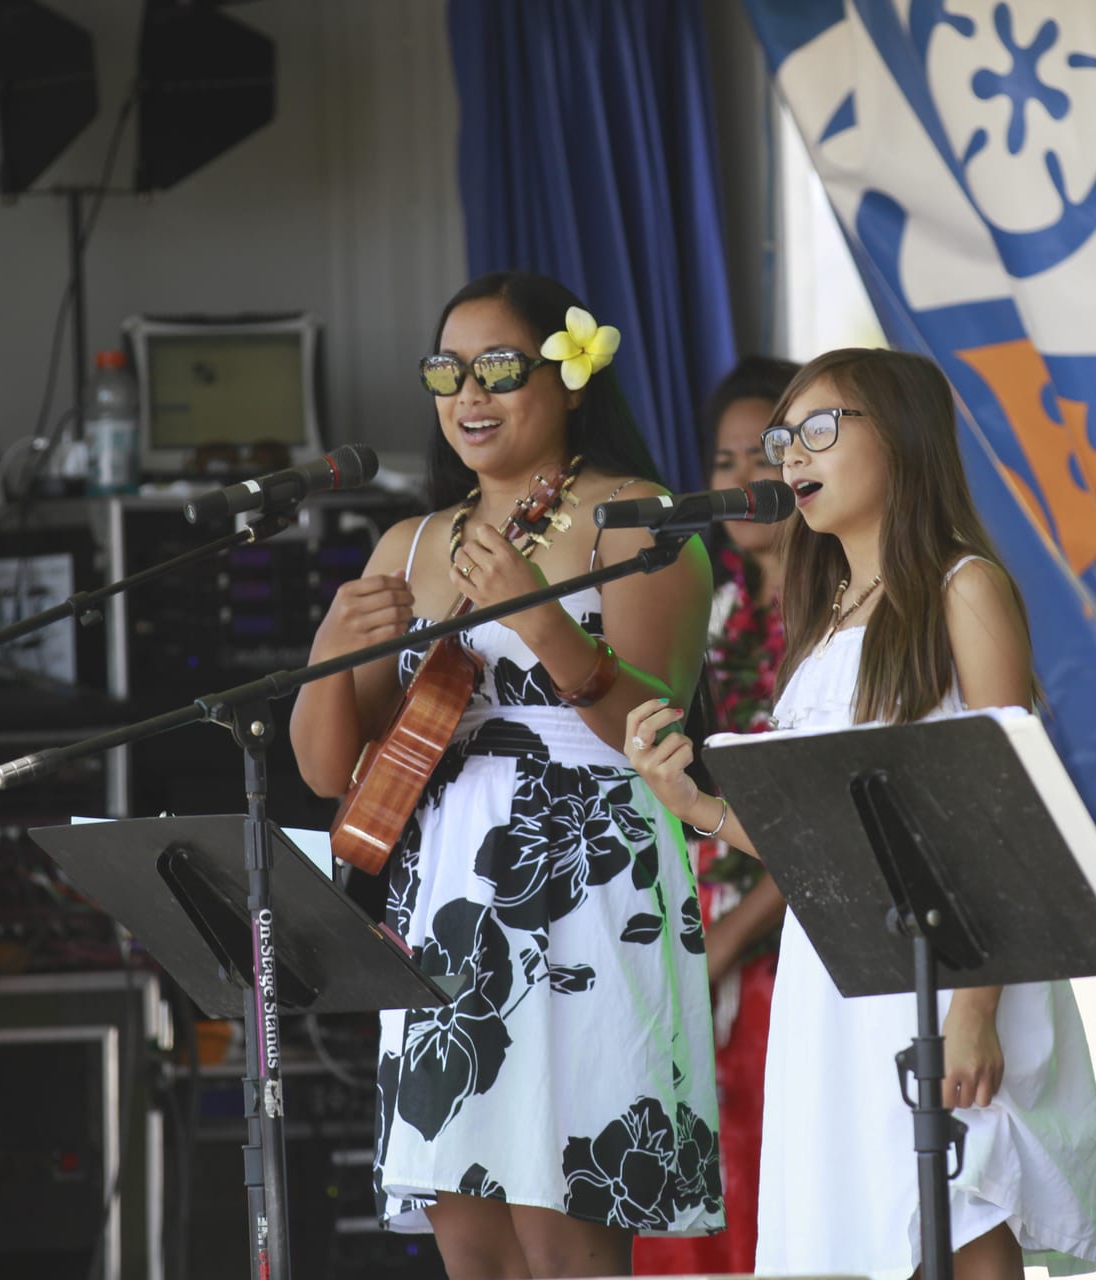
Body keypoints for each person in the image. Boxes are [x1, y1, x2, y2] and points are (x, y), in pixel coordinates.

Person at [623, 348, 1096, 1279]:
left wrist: (975, 1010)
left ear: (903, 440)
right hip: (841, 967)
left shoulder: (963, 588)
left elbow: (1006, 813)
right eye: (781, 438)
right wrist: (697, 806)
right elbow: (823, 843)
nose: (788, 458)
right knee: (861, 1221)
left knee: (962, 1213)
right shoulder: (826, 615)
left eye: (817, 431)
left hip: (956, 959)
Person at [290, 271, 722, 1277]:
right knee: (471, 1231)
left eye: (499, 368)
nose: (468, 396)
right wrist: (331, 647)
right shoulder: (410, 541)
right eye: (449, 371)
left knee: (568, 1224)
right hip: (444, 893)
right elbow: (326, 770)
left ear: (572, 379)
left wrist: (536, 615)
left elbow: (654, 735)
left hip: (587, 877)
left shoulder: (638, 518)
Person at [632, 355, 799, 1275]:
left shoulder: (837, 615)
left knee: (772, 1192)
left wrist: (731, 939)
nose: (744, 479)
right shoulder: (708, 606)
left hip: (789, 945)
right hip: (691, 930)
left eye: (767, 451)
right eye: (726, 459)